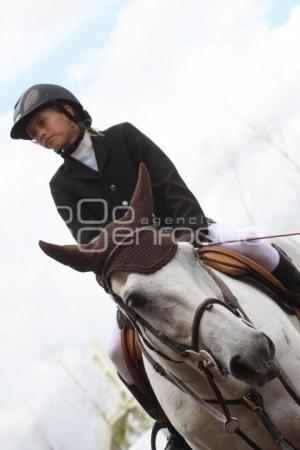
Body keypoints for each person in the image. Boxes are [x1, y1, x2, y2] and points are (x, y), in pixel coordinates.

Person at [10, 84, 300, 450]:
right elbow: (89, 238)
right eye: (34, 135)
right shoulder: (61, 185)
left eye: (41, 123)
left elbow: (168, 182)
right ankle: (173, 426)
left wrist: (189, 227)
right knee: (118, 352)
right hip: (134, 268)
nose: (41, 135)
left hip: (184, 234)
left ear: (68, 110)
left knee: (254, 243)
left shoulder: (124, 136)